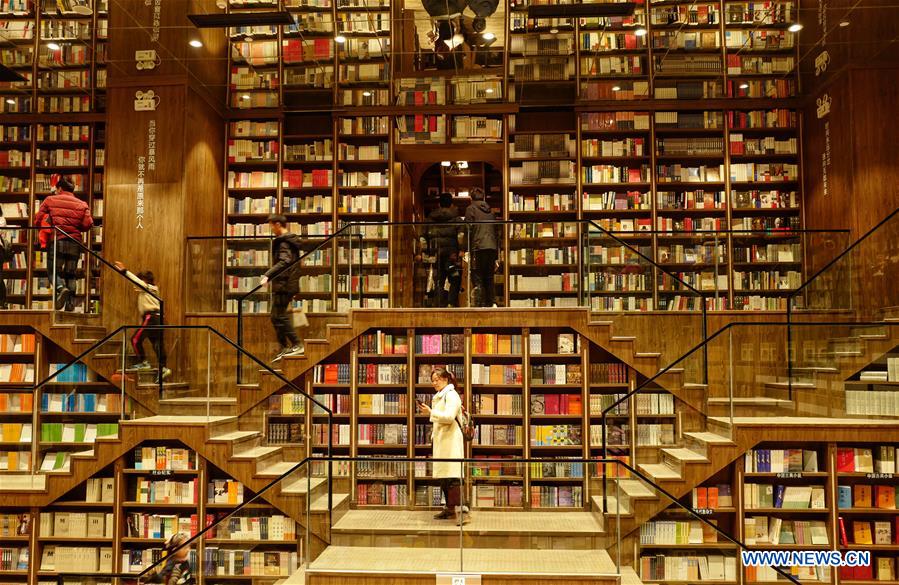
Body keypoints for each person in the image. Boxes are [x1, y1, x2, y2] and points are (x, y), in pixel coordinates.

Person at [417, 367, 469, 525]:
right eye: (432, 380)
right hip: (442, 441)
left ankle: (462, 512)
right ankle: (450, 508)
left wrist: (430, 412)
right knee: (445, 477)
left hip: (451, 441)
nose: (434, 383)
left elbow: (448, 417)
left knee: (453, 477)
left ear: (446, 379)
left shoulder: (451, 395)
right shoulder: (440, 395)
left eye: (437, 380)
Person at [34, 174, 93, 311]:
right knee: (71, 273)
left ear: (60, 188)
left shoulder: (50, 200)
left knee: (53, 270)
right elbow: (88, 225)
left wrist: (44, 226)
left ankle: (61, 288)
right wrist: (76, 226)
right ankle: (70, 304)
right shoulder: (82, 204)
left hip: (58, 240)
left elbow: (38, 218)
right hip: (75, 242)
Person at [113, 261, 170, 383]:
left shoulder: (150, 288)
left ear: (145, 281)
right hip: (156, 318)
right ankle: (163, 367)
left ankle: (144, 362)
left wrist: (125, 271)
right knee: (157, 344)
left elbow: (139, 283)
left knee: (135, 340)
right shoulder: (149, 291)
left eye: (140, 280)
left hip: (152, 317)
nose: (137, 284)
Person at [259, 214, 305, 363]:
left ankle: (297, 344)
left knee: (279, 315)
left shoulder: (284, 242)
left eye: (271, 225)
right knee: (275, 316)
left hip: (284, 284)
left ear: (278, 224)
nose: (271, 229)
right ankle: (284, 347)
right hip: (285, 284)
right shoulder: (289, 241)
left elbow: (284, 262)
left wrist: (268, 275)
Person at [464, 188, 500, 307]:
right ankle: (492, 303)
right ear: (483, 198)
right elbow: (496, 232)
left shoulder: (470, 209)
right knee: (489, 277)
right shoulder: (491, 211)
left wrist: (466, 249)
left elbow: (468, 229)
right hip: (491, 247)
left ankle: (479, 305)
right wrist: (496, 255)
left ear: (471, 198)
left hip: (478, 247)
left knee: (477, 276)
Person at [427, 193, 462, 307]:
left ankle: (439, 304)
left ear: (439, 204)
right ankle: (451, 304)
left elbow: (424, 235)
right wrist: (460, 250)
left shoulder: (431, 218)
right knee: (455, 279)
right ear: (451, 204)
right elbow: (461, 236)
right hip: (452, 255)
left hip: (437, 254)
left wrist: (427, 251)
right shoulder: (456, 218)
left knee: (439, 280)